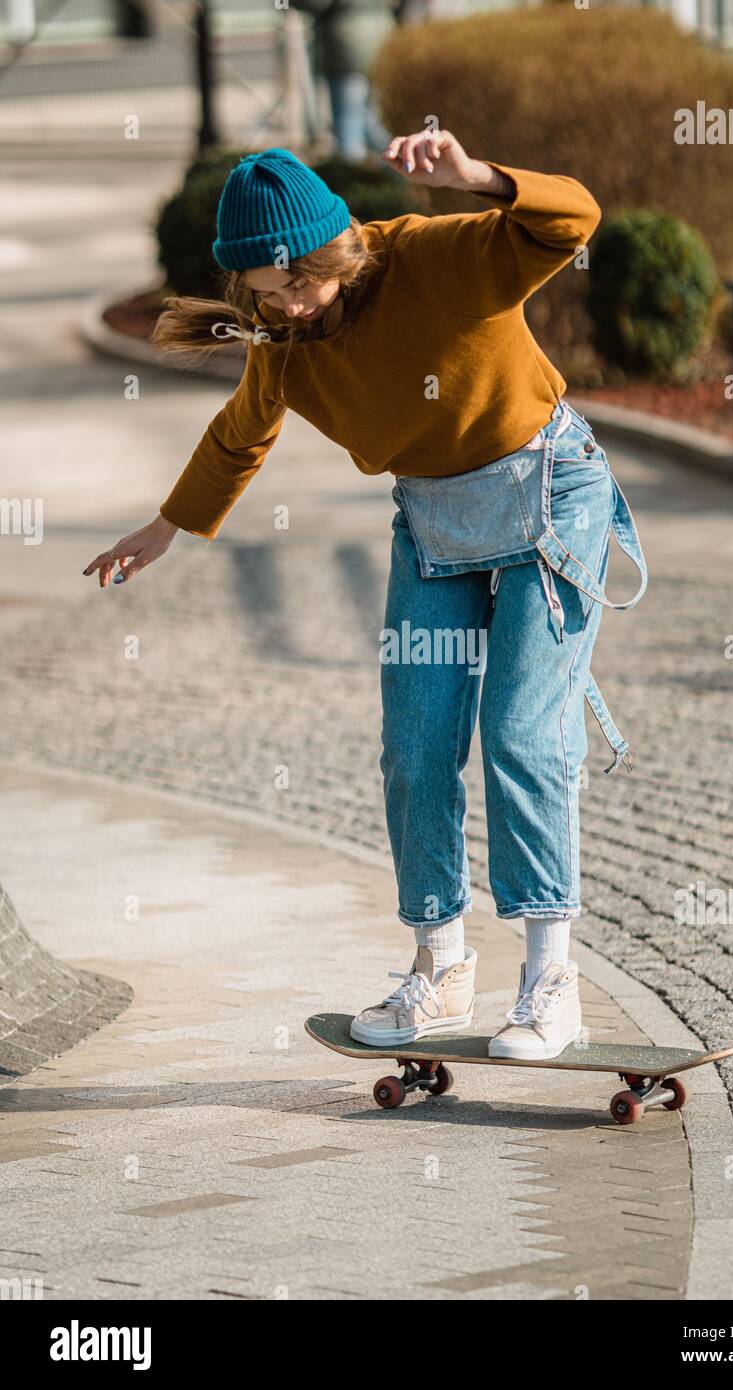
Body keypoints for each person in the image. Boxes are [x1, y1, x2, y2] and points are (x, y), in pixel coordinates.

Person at [84, 132, 647, 1061]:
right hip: (433, 525)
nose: (290, 306)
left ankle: (551, 979)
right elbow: (242, 432)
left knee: (517, 731)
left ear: (335, 247)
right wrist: (166, 526)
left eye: (300, 283)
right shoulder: (284, 337)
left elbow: (572, 218)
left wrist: (476, 180)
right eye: (268, 294)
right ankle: (440, 965)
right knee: (415, 747)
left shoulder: (430, 257)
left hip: (550, 496)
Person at [291, 0, 395, 162]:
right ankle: (397, 171)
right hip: (381, 41)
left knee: (348, 128)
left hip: (348, 49)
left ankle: (351, 178)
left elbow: (316, 4)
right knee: (371, 121)